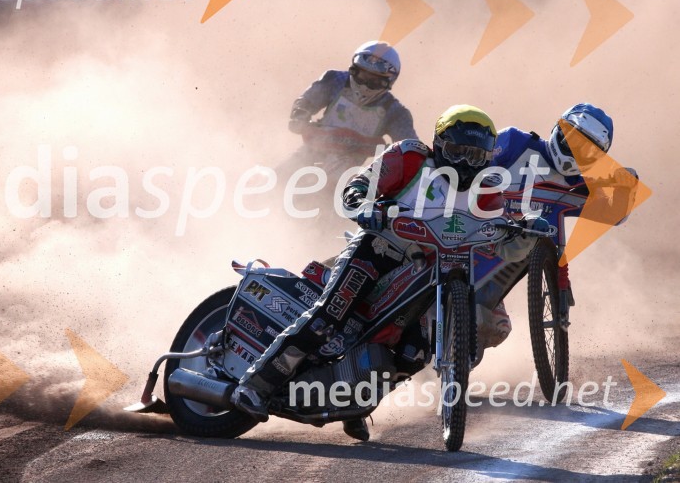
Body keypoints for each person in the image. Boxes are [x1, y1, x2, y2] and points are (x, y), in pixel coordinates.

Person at [232, 105, 547, 441]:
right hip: (379, 249)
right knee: (328, 318)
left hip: (431, 270)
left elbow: (499, 240)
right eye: (458, 152)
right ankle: (255, 384)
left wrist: (524, 233)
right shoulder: (409, 157)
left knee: (414, 355)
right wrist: (364, 204)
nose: (466, 164)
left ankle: (349, 404)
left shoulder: (487, 188)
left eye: (476, 156)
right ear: (439, 142)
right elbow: (359, 185)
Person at [473, 103, 638, 360]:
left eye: (587, 151)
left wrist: (627, 187)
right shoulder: (514, 141)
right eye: (572, 140)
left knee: (494, 329)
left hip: (513, 258)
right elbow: (472, 169)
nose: (575, 152)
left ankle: (457, 357)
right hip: (470, 236)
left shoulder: (582, 185)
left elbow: (615, 215)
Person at [279, 41, 417, 187]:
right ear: (353, 70)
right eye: (362, 76)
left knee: (342, 205)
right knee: (275, 181)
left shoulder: (395, 112)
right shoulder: (334, 80)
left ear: (388, 81)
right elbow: (307, 101)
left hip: (349, 177)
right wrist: (299, 116)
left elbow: (412, 150)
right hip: (308, 154)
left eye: (374, 81)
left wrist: (392, 156)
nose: (364, 85)